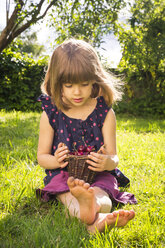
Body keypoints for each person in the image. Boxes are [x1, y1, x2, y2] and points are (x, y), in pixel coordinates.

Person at [36, 38, 137, 234]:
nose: (77, 91)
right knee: (69, 197)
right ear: (56, 83)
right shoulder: (51, 113)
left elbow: (113, 157)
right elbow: (42, 157)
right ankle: (94, 219)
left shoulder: (104, 112)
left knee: (103, 199)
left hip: (99, 175)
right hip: (64, 176)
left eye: (84, 84)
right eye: (68, 85)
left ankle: (94, 211)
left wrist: (107, 163)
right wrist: (56, 161)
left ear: (95, 79)